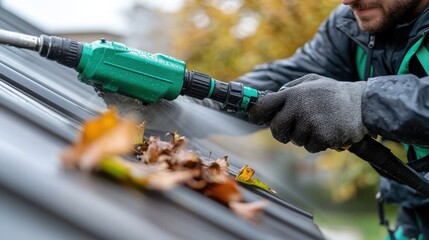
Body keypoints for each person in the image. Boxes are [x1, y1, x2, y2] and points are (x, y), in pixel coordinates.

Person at [235, 0, 429, 239]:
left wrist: (363, 103)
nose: (347, 1)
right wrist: (204, 97)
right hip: (416, 220)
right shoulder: (349, 24)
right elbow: (283, 82)